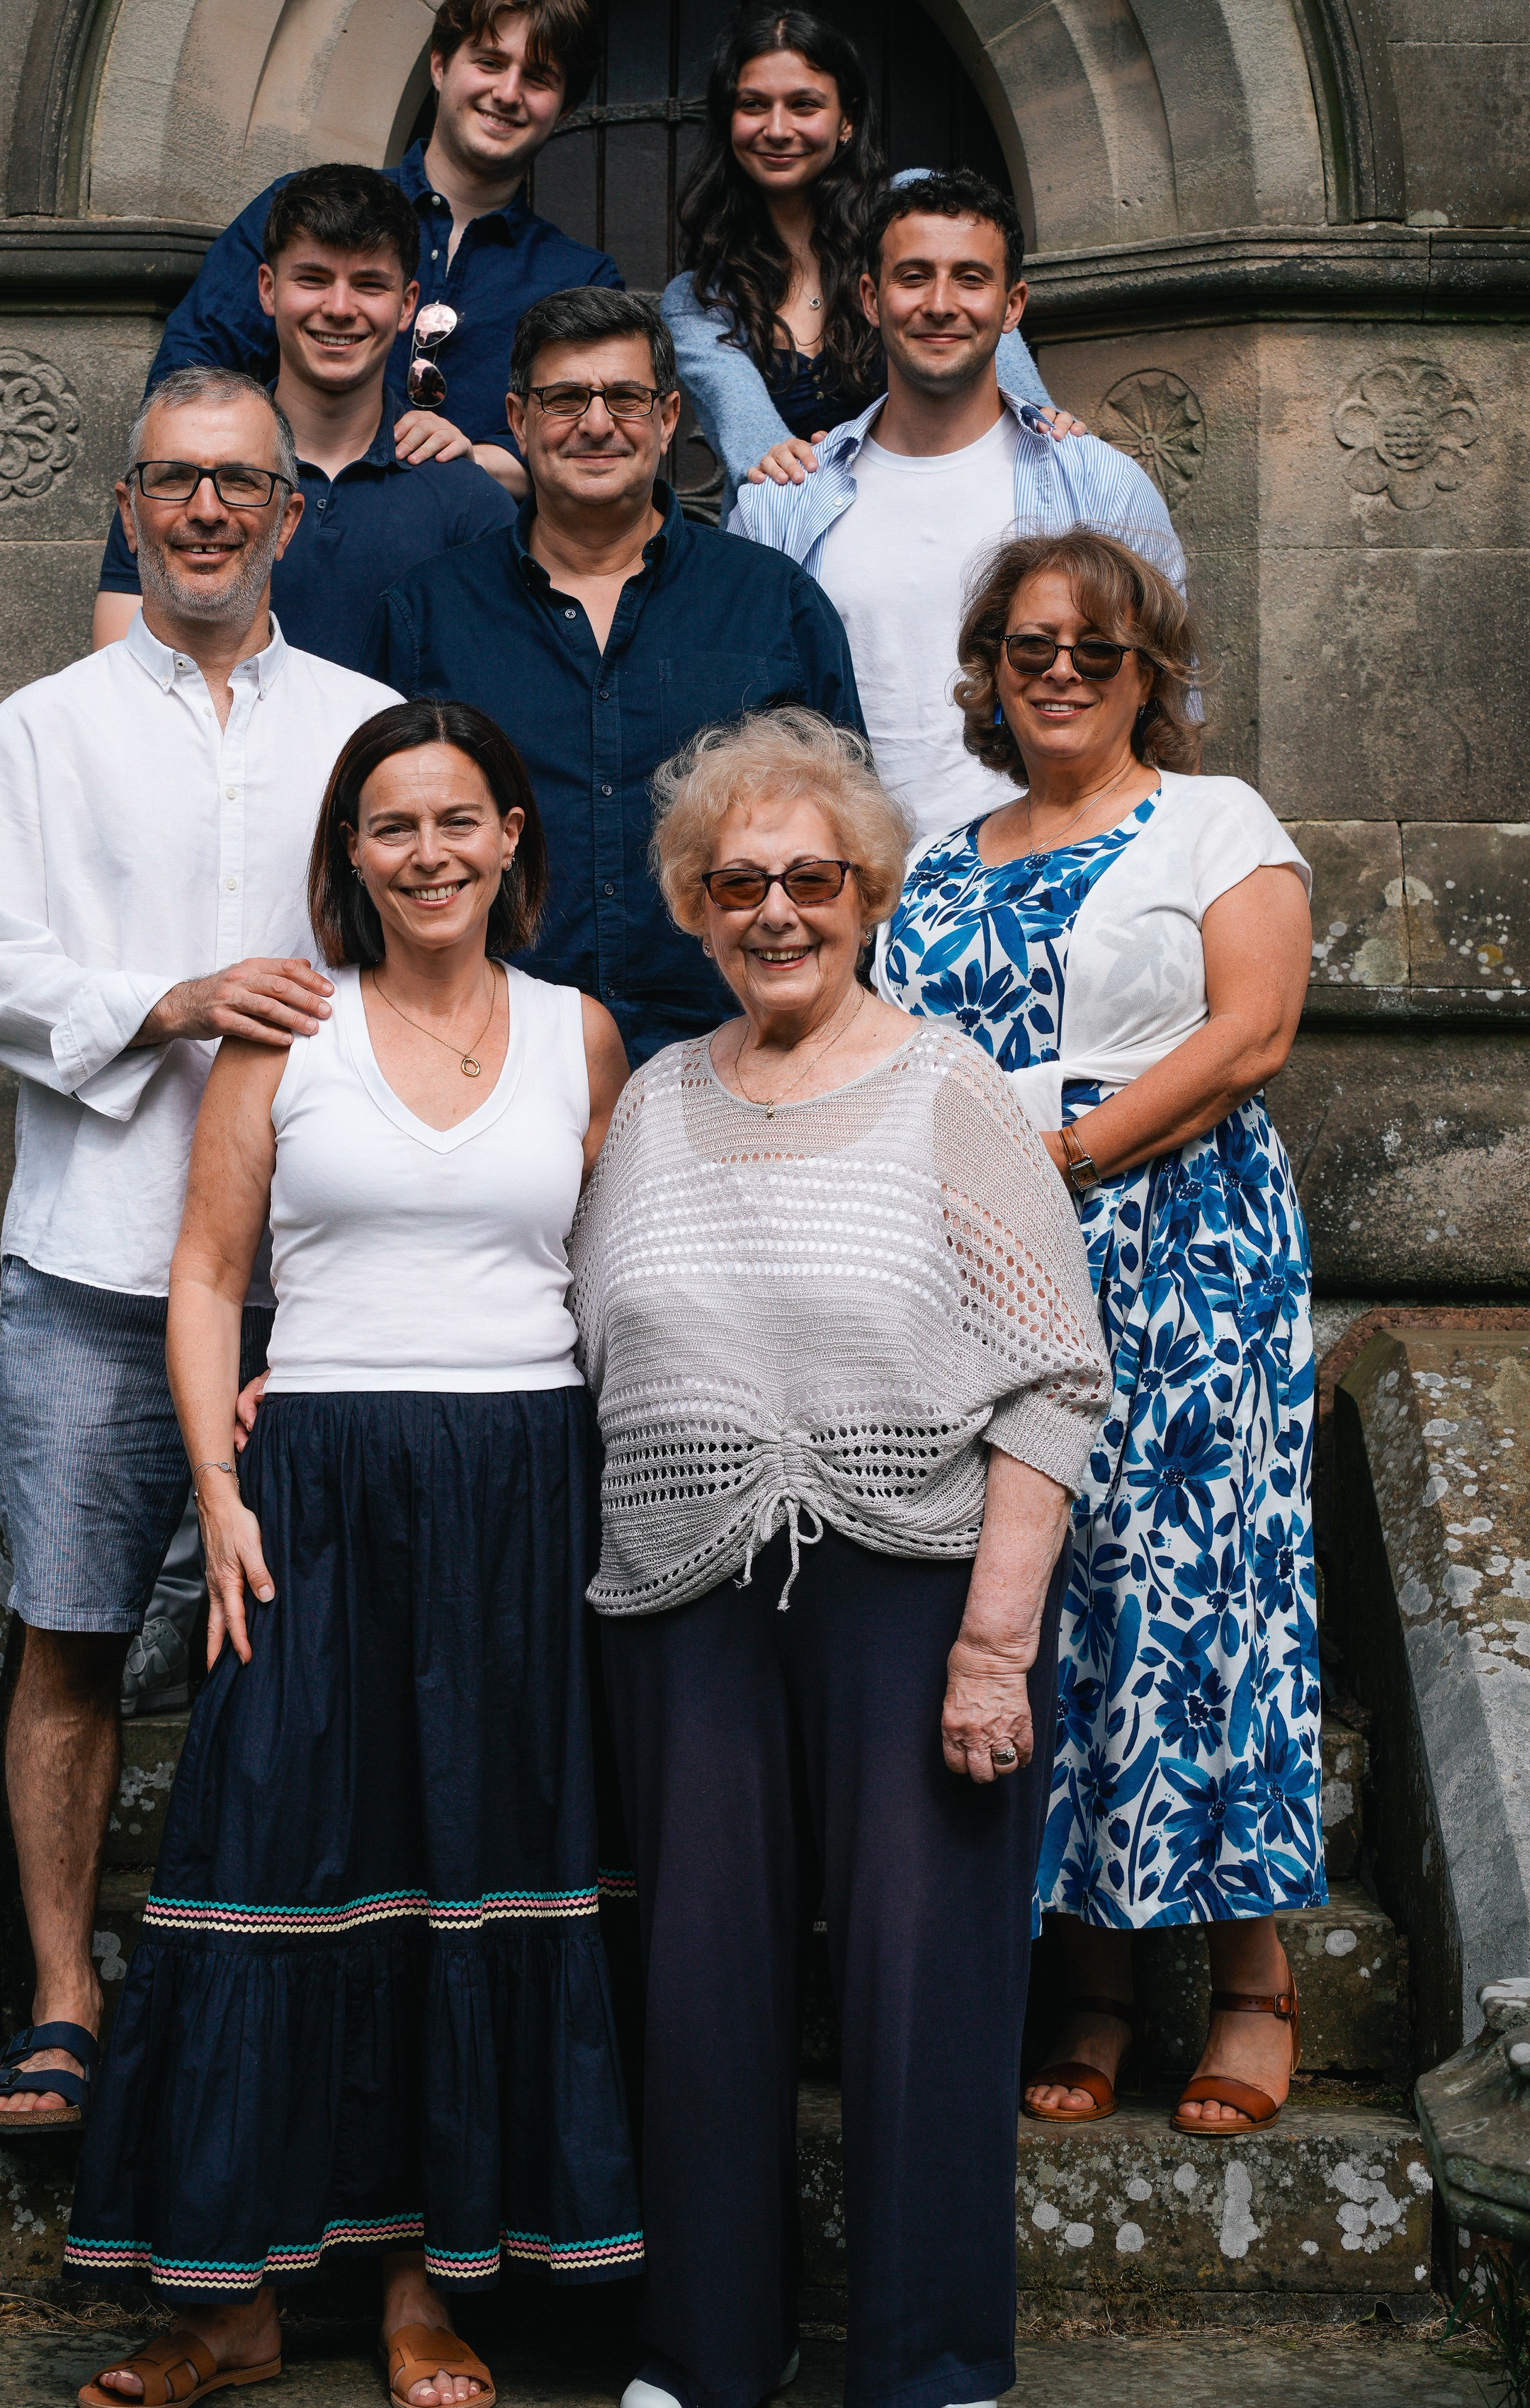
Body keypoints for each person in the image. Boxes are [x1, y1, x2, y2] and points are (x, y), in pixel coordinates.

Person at [65, 698, 642, 2408]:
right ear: (350, 855)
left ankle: (420, 2288)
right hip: (311, 1483)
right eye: (392, 825)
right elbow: (203, 1274)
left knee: (463, 1869)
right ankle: (230, 2304)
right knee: (271, 1854)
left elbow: (612, 1282)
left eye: (459, 818)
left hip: (521, 1488)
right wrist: (220, 1490)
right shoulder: (284, 1037)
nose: (428, 852)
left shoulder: (580, 1035)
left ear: (512, 835)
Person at [569, 706, 1111, 2408]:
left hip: (913, 1592)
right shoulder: (653, 1102)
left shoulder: (945, 1089)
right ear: (694, 906)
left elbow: (1053, 1376)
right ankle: (706, 2350)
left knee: (920, 1990)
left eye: (810, 880)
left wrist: (992, 1646)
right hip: (683, 1598)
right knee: (698, 1987)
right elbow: (577, 1339)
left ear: (868, 894)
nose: (775, 912)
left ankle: (929, 2361)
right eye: (738, 883)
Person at [0, 366, 399, 2132]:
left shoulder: (364, 724)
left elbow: (414, 953)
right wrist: (173, 1001)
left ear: (290, 512)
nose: (207, 510)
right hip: (94, 1257)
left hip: (320, 1274)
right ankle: (65, 2001)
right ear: (129, 506)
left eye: (239, 484)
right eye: (174, 481)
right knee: (67, 1628)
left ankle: (279, 2002)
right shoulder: (41, 730)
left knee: (303, 1652)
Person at [875, 527, 1321, 2138]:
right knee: (1044, 1600)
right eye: (1028, 647)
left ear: (1148, 671)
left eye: (1095, 648)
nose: (1059, 671)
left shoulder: (1213, 820)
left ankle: (1254, 1980)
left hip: (1179, 1254)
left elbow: (1249, 1032)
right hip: (987, 1265)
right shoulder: (936, 855)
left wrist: (1063, 1153)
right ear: (988, 672)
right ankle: (1095, 1984)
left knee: (1192, 1597)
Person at [361, 287, 864, 1068]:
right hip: (491, 1065)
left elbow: (849, 848)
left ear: (667, 419)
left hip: (739, 1056)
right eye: (564, 399)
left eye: (625, 398)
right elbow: (376, 846)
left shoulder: (774, 604)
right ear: (517, 418)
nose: (596, 424)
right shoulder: (426, 617)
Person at [96, 0, 617, 596]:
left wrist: (486, 458)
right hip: (276, 561)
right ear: (440, 65)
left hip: (469, 583)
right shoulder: (309, 210)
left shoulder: (580, 279)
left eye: (537, 78)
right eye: (489, 62)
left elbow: (598, 449)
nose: (507, 93)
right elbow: (187, 379)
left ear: (563, 108)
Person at [728, 168, 1182, 852]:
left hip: (1056, 877)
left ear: (1012, 304)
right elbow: (741, 727)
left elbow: (1170, 713)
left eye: (971, 279)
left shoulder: (1100, 488)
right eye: (914, 277)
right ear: (871, 298)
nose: (941, 305)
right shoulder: (781, 503)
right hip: (842, 883)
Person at [92, 166, 514, 661]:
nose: (339, 307)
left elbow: (492, 687)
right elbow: (119, 681)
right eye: (313, 279)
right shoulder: (176, 484)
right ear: (267, 289)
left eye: (369, 284)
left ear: (407, 305)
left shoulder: (470, 503)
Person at [659, 8, 1065, 519]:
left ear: (847, 119)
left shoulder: (911, 212)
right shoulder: (698, 300)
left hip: (959, 504)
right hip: (793, 528)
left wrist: (1049, 427)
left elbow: (1017, 395)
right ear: (728, 119)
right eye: (754, 105)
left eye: (804, 105)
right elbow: (763, 458)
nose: (778, 129)